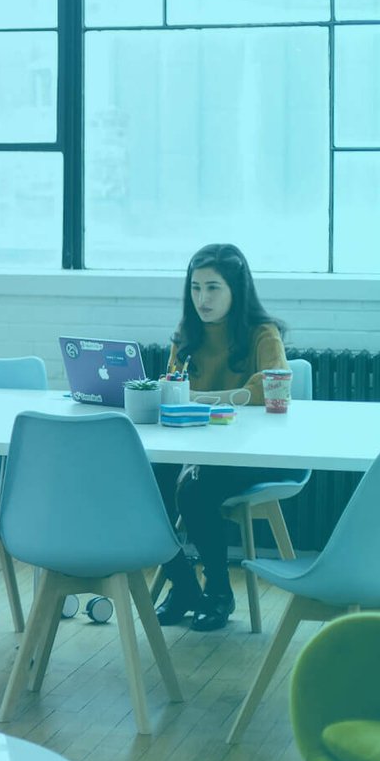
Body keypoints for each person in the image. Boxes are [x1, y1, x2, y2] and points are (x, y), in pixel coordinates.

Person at [153, 243, 294, 631]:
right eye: (196, 288)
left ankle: (218, 590)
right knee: (145, 482)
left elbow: (270, 386)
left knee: (194, 489)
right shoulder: (186, 334)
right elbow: (172, 388)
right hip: (195, 446)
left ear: (236, 289)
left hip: (251, 452)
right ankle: (183, 585)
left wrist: (203, 398)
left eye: (213, 287)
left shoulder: (262, 333)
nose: (203, 298)